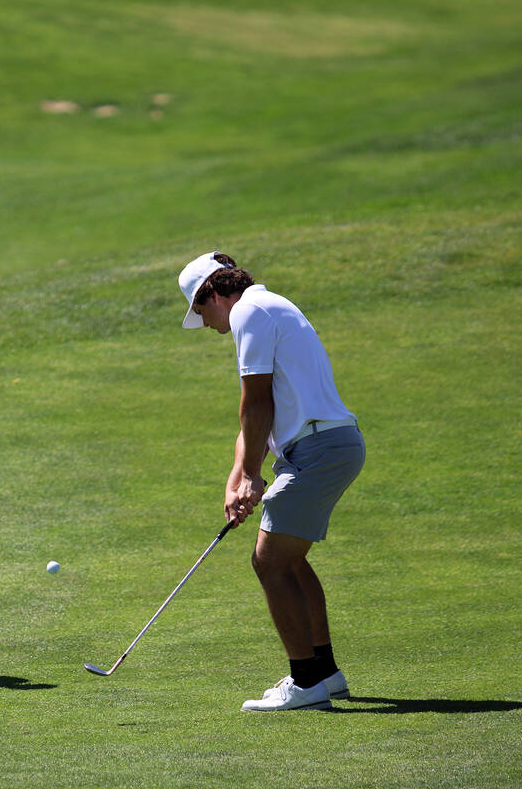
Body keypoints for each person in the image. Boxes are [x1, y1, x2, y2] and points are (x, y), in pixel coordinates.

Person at [177, 251, 365, 712]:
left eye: (199, 312)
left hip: (318, 450)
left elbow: (256, 404)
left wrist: (253, 477)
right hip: (324, 446)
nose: (203, 324)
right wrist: (236, 479)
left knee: (269, 562)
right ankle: (325, 673)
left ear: (213, 293)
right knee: (290, 559)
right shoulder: (267, 307)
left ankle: (306, 683)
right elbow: (258, 417)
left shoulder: (249, 312)